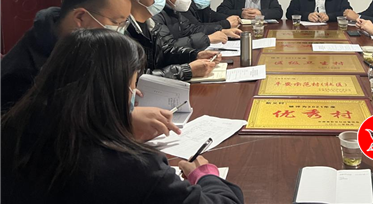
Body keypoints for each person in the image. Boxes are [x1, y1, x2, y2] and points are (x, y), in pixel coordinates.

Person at [1, 29, 244, 204]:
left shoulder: (14, 128)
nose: (136, 94)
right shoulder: (132, 167)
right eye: (133, 84)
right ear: (111, 89)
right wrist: (206, 176)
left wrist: (117, 125)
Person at [0, 0, 180, 140]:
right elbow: (40, 130)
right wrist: (120, 119)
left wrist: (121, 90)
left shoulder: (84, 44)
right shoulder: (24, 70)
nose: (120, 31)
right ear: (80, 17)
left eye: (124, 23)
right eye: (115, 22)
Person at [118, 0, 219, 81]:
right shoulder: (122, 32)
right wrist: (186, 71)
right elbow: (136, 78)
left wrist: (195, 55)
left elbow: (164, 51)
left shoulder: (150, 24)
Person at [153, 0, 238, 49]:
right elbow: (166, 47)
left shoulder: (174, 10)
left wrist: (222, 31)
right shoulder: (155, 13)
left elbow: (191, 29)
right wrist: (207, 39)